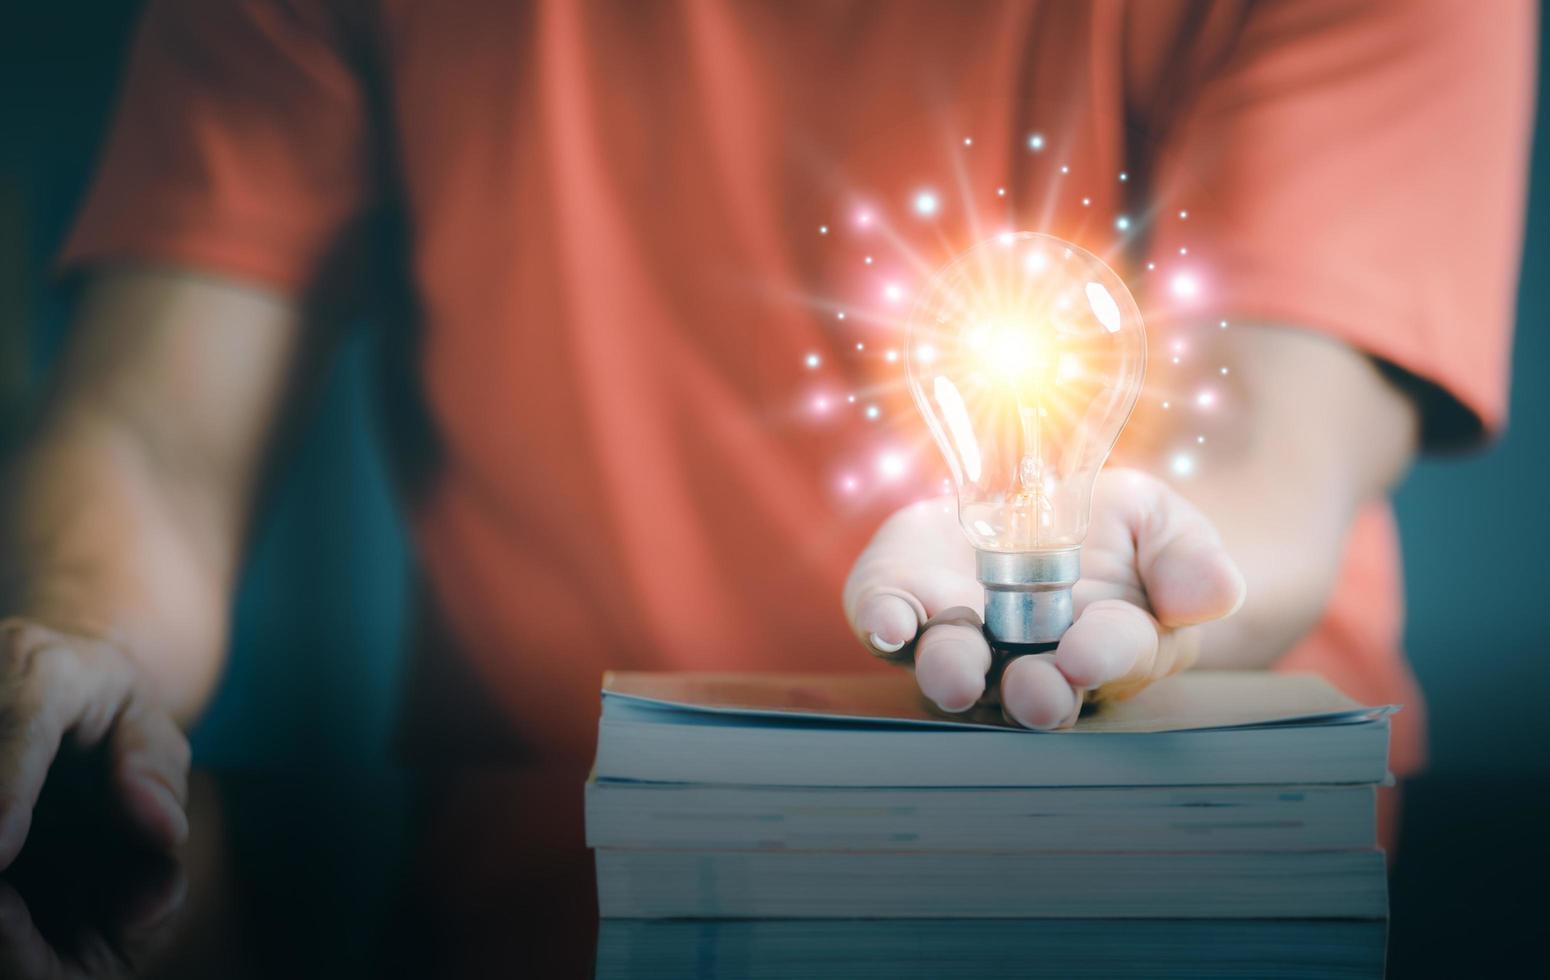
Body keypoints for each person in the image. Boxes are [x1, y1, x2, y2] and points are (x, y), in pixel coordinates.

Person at [0, 0, 1533, 869]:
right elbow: (153, 422)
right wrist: (75, 641)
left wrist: (1116, 566)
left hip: (1180, 873)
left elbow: (1270, 453)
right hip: (545, 883)